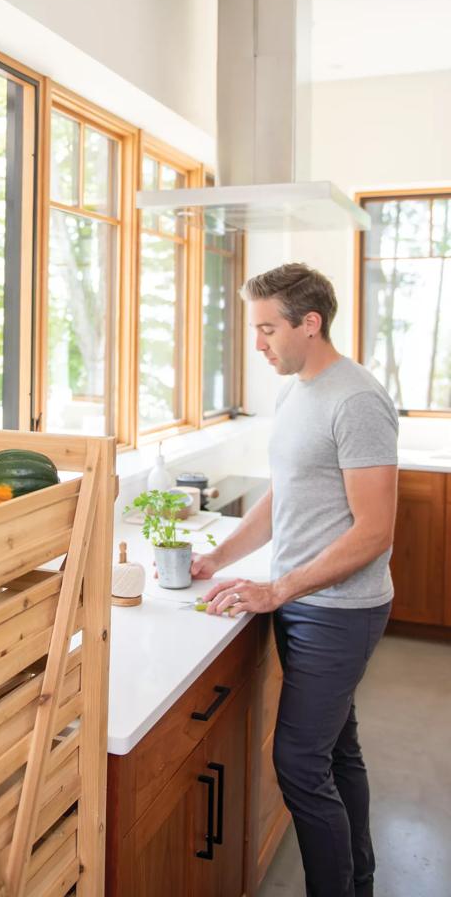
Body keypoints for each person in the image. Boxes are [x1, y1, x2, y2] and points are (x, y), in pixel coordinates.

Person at [191, 262, 398, 897]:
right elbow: (287, 498)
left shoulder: (357, 399)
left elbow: (373, 532)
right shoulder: (296, 390)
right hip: (307, 602)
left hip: (339, 609)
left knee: (300, 764)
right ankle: (358, 881)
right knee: (338, 753)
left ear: (310, 324)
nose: (259, 344)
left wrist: (279, 590)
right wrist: (217, 558)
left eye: (267, 329)